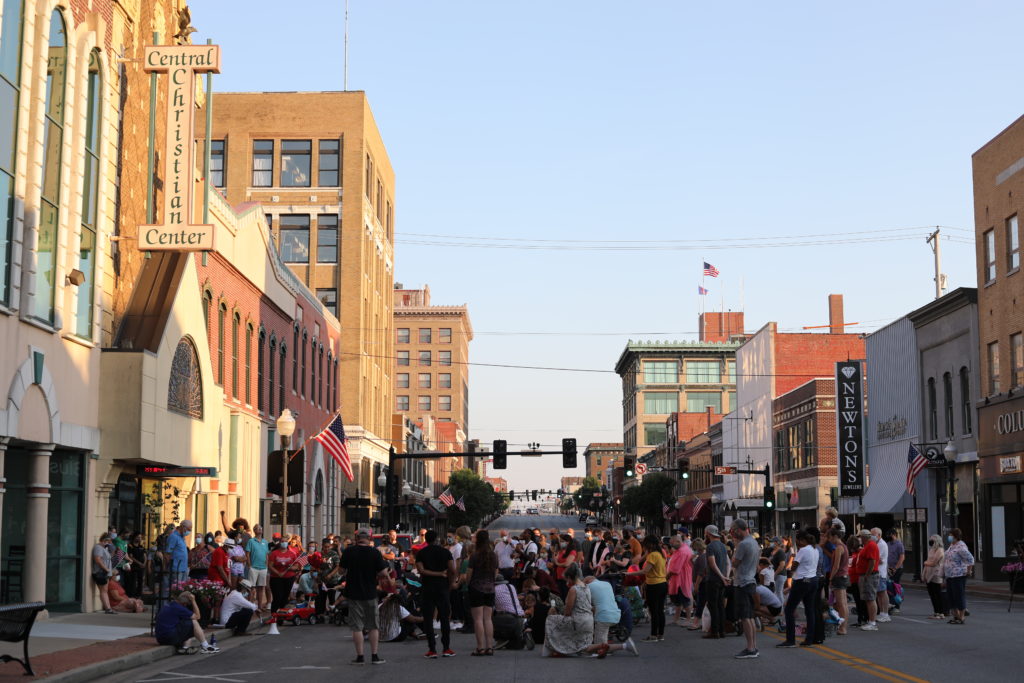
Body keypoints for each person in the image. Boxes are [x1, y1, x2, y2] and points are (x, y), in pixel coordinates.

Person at [340, 528, 390, 665]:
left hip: (353, 593)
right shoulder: (375, 552)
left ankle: (360, 657)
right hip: (370, 592)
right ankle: (374, 656)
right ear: (369, 539)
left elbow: (341, 570)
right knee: (373, 626)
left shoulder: (349, 551)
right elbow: (383, 573)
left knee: (357, 627)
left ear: (357, 539)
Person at [415, 529, 457, 658]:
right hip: (442, 587)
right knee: (444, 618)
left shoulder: (421, 553)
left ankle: (432, 649)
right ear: (437, 539)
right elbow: (453, 570)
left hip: (427, 588)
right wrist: (449, 584)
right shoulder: (445, 552)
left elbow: (421, 570)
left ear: (426, 539)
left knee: (428, 619)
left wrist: (433, 573)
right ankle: (446, 648)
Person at [777, 530, 819, 648]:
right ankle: (809, 639)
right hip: (813, 580)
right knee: (809, 610)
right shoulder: (815, 549)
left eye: (798, 541)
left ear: (802, 540)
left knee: (789, 609)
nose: (798, 544)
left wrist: (792, 572)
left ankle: (790, 640)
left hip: (802, 581)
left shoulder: (803, 550)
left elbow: (794, 565)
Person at [544, 563, 594, 656]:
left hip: (578, 621)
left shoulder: (573, 589)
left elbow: (567, 612)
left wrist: (556, 613)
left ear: (570, 578)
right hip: (589, 620)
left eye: (566, 579)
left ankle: (555, 647)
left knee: (551, 619)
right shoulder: (586, 586)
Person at [582, 576, 638, 657]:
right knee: (603, 643)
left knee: (599, 647)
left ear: (587, 581)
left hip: (603, 616)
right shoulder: (607, 584)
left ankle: (625, 646)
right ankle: (620, 647)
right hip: (616, 614)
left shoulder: (588, 587)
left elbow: (586, 604)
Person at [730, 519, 761, 659]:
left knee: (745, 617)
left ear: (738, 529)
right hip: (750, 581)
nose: (733, 533)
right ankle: (753, 646)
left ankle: (750, 648)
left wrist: (735, 547)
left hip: (742, 582)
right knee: (750, 616)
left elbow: (735, 563)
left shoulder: (742, 545)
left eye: (733, 530)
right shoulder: (754, 542)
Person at [629, 535, 667, 642]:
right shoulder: (660, 554)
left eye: (645, 545)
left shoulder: (653, 555)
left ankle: (653, 635)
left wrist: (628, 574)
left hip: (654, 585)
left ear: (649, 545)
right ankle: (660, 634)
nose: (644, 547)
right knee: (660, 610)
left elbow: (645, 571)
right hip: (662, 583)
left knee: (653, 610)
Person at [466, 529, 498, 655]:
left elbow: (469, 574)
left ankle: (480, 647)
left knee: (478, 619)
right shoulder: (493, 555)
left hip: (476, 588)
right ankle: (490, 646)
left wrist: (468, 584)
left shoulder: (474, 555)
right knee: (488, 619)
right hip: (490, 588)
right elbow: (496, 573)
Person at [154, 592, 219, 654]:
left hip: (161, 639)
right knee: (193, 621)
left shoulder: (171, 604)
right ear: (184, 604)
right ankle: (205, 646)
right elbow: (198, 616)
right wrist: (193, 601)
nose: (187, 606)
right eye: (187, 605)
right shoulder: (179, 608)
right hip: (169, 638)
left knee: (188, 623)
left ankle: (185, 648)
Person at [703, 525, 730, 640]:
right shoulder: (723, 546)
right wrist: (726, 576)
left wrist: (721, 576)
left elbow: (712, 564)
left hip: (713, 579)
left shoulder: (710, 546)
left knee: (713, 605)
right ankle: (722, 630)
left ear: (708, 533)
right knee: (720, 605)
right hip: (722, 579)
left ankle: (715, 631)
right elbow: (728, 563)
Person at [943, 528, 974, 625]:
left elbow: (970, 559)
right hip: (950, 575)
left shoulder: (961, 547)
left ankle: (961, 616)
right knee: (951, 596)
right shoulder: (952, 546)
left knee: (958, 595)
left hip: (958, 574)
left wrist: (969, 571)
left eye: (951, 535)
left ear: (956, 536)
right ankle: (955, 616)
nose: (949, 537)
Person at [854, 528, 880, 631]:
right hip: (866, 575)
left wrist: (867, 575)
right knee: (868, 598)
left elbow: (872, 561)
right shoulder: (867, 545)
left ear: (864, 537)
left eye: (860, 537)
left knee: (870, 598)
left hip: (869, 575)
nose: (860, 539)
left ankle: (872, 622)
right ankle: (870, 621)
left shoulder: (871, 545)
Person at [827, 527, 850, 635]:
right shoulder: (844, 547)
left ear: (835, 536)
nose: (829, 539)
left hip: (839, 576)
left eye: (830, 537)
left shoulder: (838, 548)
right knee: (843, 603)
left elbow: (836, 566)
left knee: (841, 604)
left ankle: (843, 627)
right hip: (844, 576)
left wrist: (830, 578)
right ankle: (843, 626)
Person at [667, 535, 693, 627]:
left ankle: (689, 619)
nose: (671, 546)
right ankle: (676, 619)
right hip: (679, 579)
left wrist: (666, 577)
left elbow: (675, 569)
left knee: (684, 600)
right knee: (678, 601)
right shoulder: (683, 549)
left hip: (680, 580)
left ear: (678, 541)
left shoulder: (682, 551)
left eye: (672, 543)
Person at [267, 536, 299, 612]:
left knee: (285, 597)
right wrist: (278, 573)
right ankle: (274, 615)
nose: (284, 543)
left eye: (285, 541)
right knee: (277, 597)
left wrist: (291, 568)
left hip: (289, 578)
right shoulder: (274, 553)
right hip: (276, 578)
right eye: (282, 541)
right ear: (280, 543)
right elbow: (270, 566)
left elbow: (296, 566)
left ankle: (281, 614)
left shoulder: (292, 554)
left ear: (287, 543)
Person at [245, 524, 270, 610]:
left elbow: (267, 555)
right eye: (257, 528)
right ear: (254, 531)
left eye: (260, 528)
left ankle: (259, 606)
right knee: (251, 587)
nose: (259, 530)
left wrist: (266, 565)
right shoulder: (251, 541)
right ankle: (250, 606)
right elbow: (247, 554)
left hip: (263, 568)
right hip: (254, 567)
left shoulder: (265, 542)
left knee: (261, 587)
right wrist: (249, 565)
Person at [922, 533, 946, 618]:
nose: (930, 541)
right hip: (929, 573)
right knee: (932, 594)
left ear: (937, 541)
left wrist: (925, 563)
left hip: (936, 574)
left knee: (937, 594)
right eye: (930, 540)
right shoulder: (931, 550)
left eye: (932, 540)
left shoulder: (940, 550)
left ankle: (941, 612)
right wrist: (924, 574)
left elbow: (933, 563)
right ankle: (936, 612)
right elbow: (929, 562)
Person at [92, 532, 115, 614]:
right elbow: (98, 560)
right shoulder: (98, 548)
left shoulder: (104, 548)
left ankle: (108, 608)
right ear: (104, 540)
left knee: (105, 590)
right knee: (103, 590)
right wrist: (106, 569)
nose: (109, 543)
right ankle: (108, 608)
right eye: (108, 541)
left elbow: (108, 558)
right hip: (101, 572)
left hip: (105, 572)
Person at [871, 527, 891, 622]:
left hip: (880, 572)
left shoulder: (882, 545)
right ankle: (882, 612)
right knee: (879, 593)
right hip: (877, 572)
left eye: (873, 534)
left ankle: (885, 613)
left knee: (883, 593)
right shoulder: (876, 543)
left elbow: (879, 559)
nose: (872, 536)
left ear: (879, 535)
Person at [886, 529, 906, 614]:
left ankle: (897, 606)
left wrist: (895, 568)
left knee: (896, 587)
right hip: (889, 569)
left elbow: (902, 557)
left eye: (890, 534)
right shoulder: (887, 544)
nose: (889, 536)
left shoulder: (899, 544)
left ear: (894, 534)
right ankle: (891, 605)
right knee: (889, 587)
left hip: (897, 569)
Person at [689, 538, 707, 631]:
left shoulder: (702, 557)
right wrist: (691, 561)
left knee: (700, 602)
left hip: (702, 583)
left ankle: (696, 622)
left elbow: (701, 573)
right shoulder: (701, 556)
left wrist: (696, 585)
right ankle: (698, 622)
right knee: (700, 602)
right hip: (701, 582)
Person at [166, 520, 192, 586]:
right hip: (176, 569)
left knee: (181, 589)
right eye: (189, 529)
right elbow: (168, 553)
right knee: (176, 589)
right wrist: (166, 567)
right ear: (183, 527)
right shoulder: (173, 537)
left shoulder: (182, 537)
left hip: (183, 568)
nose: (189, 532)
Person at [553, 534, 577, 598]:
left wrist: (558, 563)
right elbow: (555, 559)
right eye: (560, 541)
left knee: (565, 595)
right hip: (559, 577)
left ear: (568, 542)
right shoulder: (562, 551)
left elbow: (567, 563)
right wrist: (555, 552)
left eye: (562, 541)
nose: (561, 543)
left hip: (567, 578)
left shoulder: (572, 551)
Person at [125, 533, 148, 598]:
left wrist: (144, 564)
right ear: (134, 537)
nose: (139, 538)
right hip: (134, 567)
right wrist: (139, 563)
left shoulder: (141, 547)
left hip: (141, 567)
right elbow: (131, 557)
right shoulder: (130, 546)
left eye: (140, 537)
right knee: (133, 582)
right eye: (138, 537)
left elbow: (145, 555)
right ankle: (132, 595)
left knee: (140, 581)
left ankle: (139, 595)